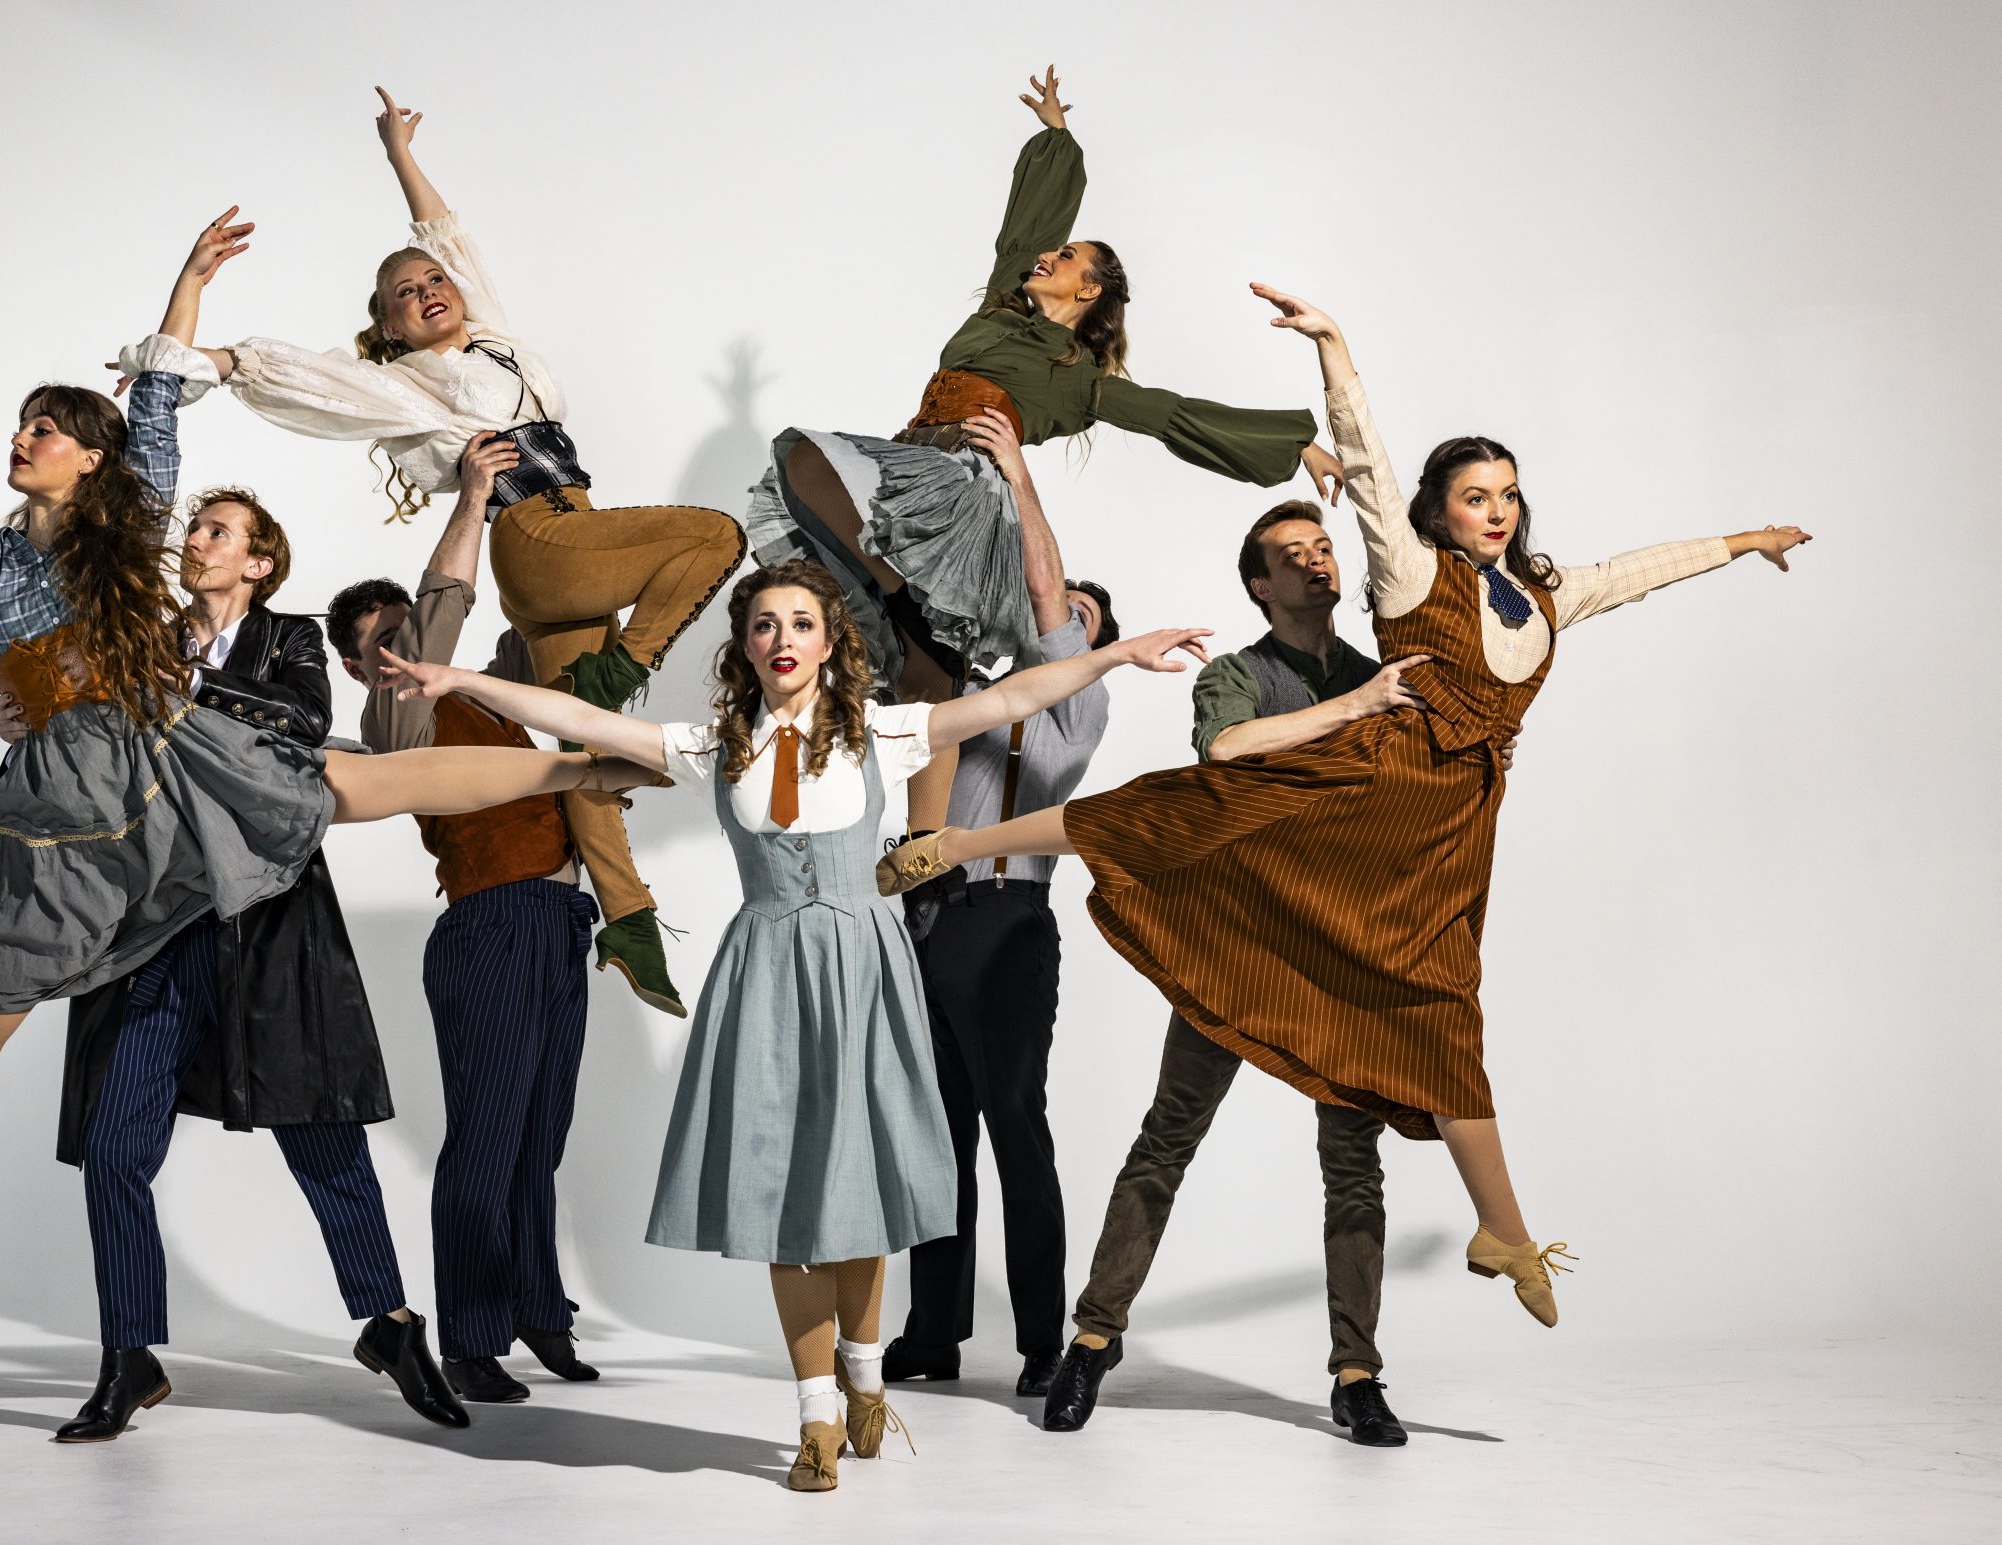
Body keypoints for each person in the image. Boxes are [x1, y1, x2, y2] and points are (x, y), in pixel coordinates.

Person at [0, 209, 660, 1287]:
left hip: (169, 751)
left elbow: (161, 399)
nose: (23, 439)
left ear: (91, 461)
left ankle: (593, 763)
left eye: (46, 428)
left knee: (359, 783)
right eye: (22, 426)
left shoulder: (132, 527)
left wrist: (190, 281)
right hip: (62, 803)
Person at [880, 286, 1812, 1339]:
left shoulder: (1547, 594)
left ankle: (1499, 1230)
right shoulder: (1411, 575)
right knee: (1174, 808)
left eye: (1506, 493)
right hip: (1367, 781)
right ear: (1440, 512)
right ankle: (960, 841)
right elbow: (1366, 466)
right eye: (1473, 495)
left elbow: (1634, 574)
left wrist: (1742, 540)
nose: (1495, 509)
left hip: (1446, 834)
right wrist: (1335, 351)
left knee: (1444, 1012)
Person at [379, 559, 1211, 1491]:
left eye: (801, 623)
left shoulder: (883, 731)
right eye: (765, 623)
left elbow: (1014, 694)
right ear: (745, 643)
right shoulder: (715, 745)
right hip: (768, 973)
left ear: (831, 641)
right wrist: (457, 680)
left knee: (856, 1201)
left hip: (863, 969)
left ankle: (863, 1375)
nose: (783, 639)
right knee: (780, 1196)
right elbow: (586, 723)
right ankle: (816, 1414)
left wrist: (1118, 655)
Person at [154, 89, 745, 1018]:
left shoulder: (500, 341)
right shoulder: (406, 386)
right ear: (389, 327)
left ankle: (627, 921)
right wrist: (196, 338)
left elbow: (447, 236)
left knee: (581, 745)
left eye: (433, 282)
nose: (427, 292)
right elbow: (293, 374)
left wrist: (400, 153)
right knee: (713, 536)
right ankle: (618, 667)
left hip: (565, 547)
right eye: (403, 295)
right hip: (538, 533)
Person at [742, 65, 1335, 832]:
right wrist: (1056, 140)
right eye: (1054, 252)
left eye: (1069, 258)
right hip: (914, 456)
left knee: (936, 677)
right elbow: (1022, 231)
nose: (1049, 259)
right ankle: (896, 607)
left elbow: (1172, 414)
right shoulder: (1001, 304)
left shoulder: (1082, 379)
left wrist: (1301, 445)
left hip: (972, 483)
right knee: (802, 461)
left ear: (1090, 290)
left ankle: (923, 844)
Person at [0, 484, 464, 1440]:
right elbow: (94, 750)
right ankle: (130, 1355)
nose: (196, 539)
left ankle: (393, 1326)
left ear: (258, 560)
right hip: (152, 927)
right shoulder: (144, 640)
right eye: (195, 527)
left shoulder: (286, 638)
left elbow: (295, 724)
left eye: (219, 530)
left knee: (322, 1135)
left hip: (269, 919)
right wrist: (36, 723)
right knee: (116, 1149)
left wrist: (180, 688)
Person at [1037, 497, 1495, 1445]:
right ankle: (1092, 1339)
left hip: (1344, 954)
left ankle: (1357, 1372)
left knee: (1353, 1165)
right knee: (1168, 1138)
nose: (1318, 562)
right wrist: (1360, 710)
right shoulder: (1244, 676)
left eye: (1325, 547)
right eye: (1294, 554)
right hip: (1237, 948)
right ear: (1260, 583)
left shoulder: (1385, 675)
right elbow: (1226, 750)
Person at [327, 431, 602, 1405]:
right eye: (383, 643)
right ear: (367, 665)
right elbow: (448, 611)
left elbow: (533, 629)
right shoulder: (394, 724)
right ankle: (471, 1338)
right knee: (488, 1140)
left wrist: (552, 506)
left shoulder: (477, 704)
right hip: (491, 926)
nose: (405, 647)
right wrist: (471, 499)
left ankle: (537, 1312)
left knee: (539, 1138)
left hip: (557, 923)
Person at [877, 410, 1116, 1399]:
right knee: (937, 1137)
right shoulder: (971, 690)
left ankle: (1038, 1342)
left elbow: (1044, 589)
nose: (1064, 619)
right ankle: (933, 1334)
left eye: (1085, 619)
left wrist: (1017, 477)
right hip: (927, 919)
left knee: (1016, 1124)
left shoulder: (1077, 701)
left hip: (1008, 924)